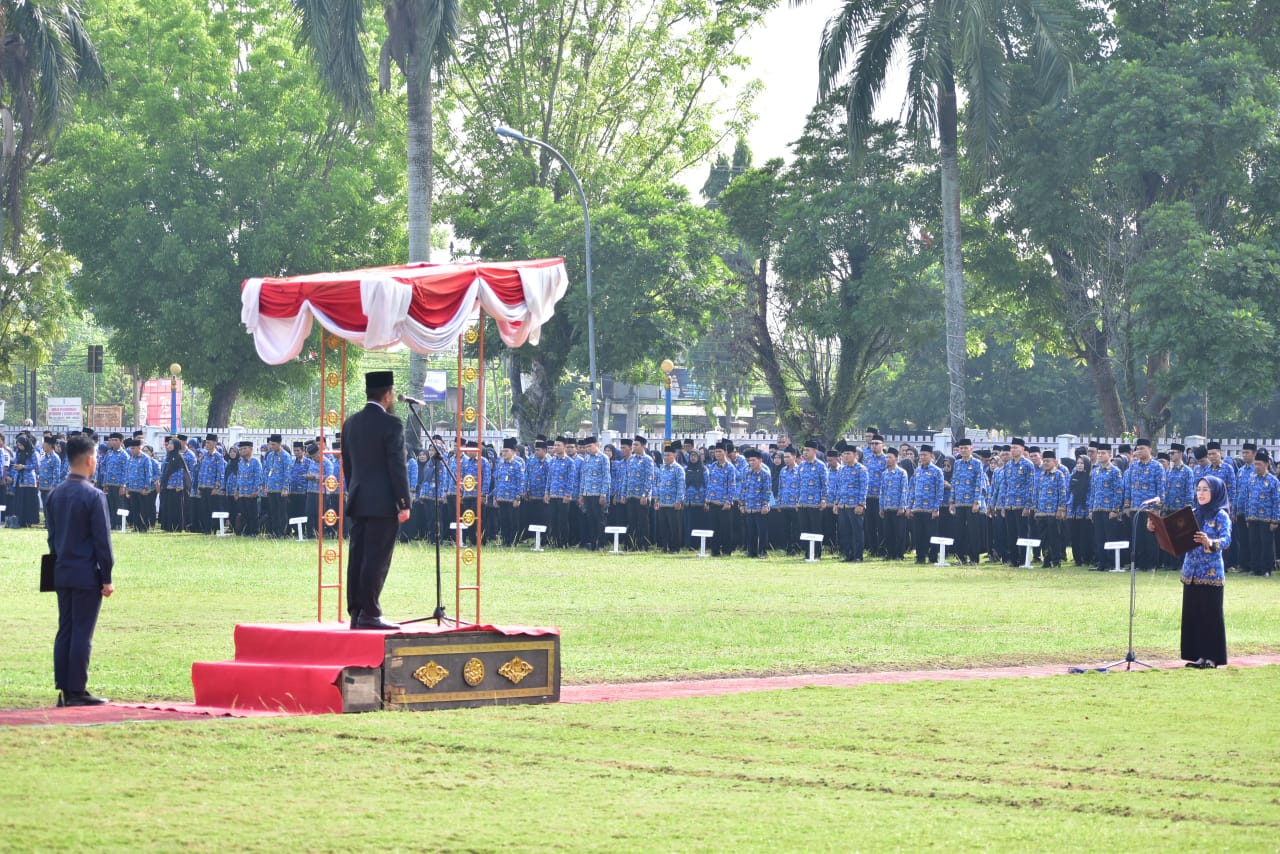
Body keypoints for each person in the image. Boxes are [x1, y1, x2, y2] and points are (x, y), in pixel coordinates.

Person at [44, 434, 116, 706]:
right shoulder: (94, 496)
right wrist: (107, 577)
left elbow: (51, 539)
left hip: (61, 570)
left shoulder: (54, 494)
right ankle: (77, 690)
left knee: (66, 629)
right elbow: (102, 542)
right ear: (89, 460)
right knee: (82, 632)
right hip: (87, 573)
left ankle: (64, 688)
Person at [341, 370, 411, 630]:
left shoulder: (351, 423)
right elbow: (397, 466)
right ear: (388, 394)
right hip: (383, 503)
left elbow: (348, 465)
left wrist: (356, 489)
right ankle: (370, 612)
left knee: (358, 556)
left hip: (358, 498)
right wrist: (403, 502)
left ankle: (356, 612)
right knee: (376, 558)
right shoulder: (391, 424)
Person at [1157, 476, 1231, 668]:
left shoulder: (1220, 515)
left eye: (1206, 489)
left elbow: (1227, 540)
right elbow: (1175, 537)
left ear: (1215, 492)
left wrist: (1210, 542)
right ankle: (1198, 656)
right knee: (1194, 615)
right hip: (1191, 572)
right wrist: (1156, 529)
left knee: (1211, 615)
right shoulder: (1193, 514)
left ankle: (1212, 658)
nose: (1201, 493)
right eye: (1199, 489)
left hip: (1211, 573)